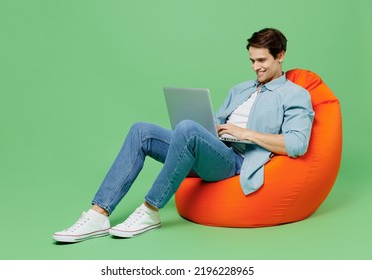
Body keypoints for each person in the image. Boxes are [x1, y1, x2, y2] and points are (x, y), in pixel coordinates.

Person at [53, 28, 314, 243]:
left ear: (280, 56)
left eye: (262, 61)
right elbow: (218, 123)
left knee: (188, 129)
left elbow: (297, 143)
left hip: (236, 163)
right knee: (141, 130)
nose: (255, 67)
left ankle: (150, 210)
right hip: (213, 148)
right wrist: (211, 127)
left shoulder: (295, 95)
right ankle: (99, 214)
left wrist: (245, 133)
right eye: (252, 61)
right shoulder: (241, 89)